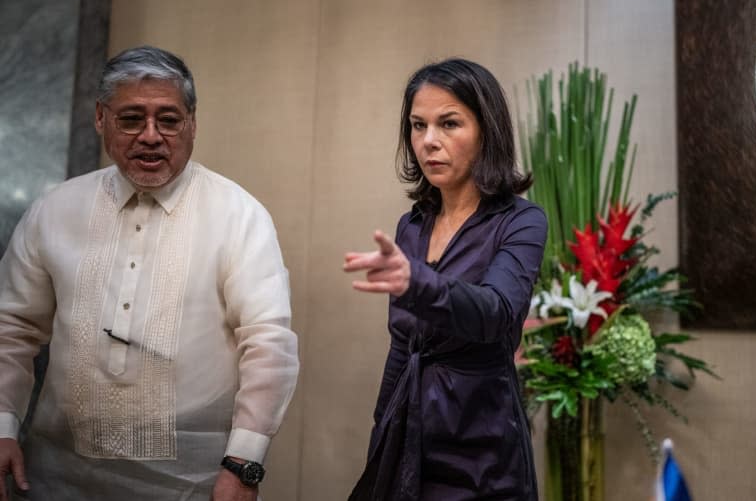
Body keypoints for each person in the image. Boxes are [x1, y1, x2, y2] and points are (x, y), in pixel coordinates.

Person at [0, 46, 299, 501]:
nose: (151, 136)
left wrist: (244, 465)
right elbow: (12, 328)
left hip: (193, 483)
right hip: (57, 478)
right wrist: (2, 426)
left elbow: (268, 343)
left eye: (170, 120)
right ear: (101, 119)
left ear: (193, 124)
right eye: (131, 119)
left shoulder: (239, 215)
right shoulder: (55, 211)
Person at [343, 58, 547, 500]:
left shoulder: (521, 221)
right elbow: (402, 345)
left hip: (480, 438)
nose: (429, 141)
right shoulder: (411, 225)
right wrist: (382, 432)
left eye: (449, 123)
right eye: (418, 126)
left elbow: (498, 315)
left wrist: (417, 283)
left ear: (486, 130)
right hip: (407, 427)